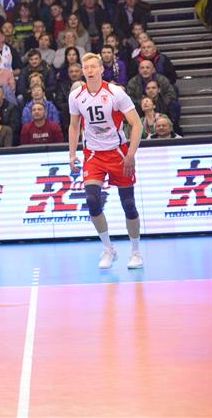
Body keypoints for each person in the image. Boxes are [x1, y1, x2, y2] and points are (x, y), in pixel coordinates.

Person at [68, 53, 145, 270]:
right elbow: (74, 126)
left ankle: (136, 252)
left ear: (102, 69)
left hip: (118, 153)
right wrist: (72, 154)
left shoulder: (115, 93)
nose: (90, 70)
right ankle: (109, 248)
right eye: (86, 67)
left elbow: (137, 124)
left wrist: (131, 154)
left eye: (93, 66)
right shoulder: (76, 96)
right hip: (93, 155)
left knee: (128, 204)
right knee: (92, 200)